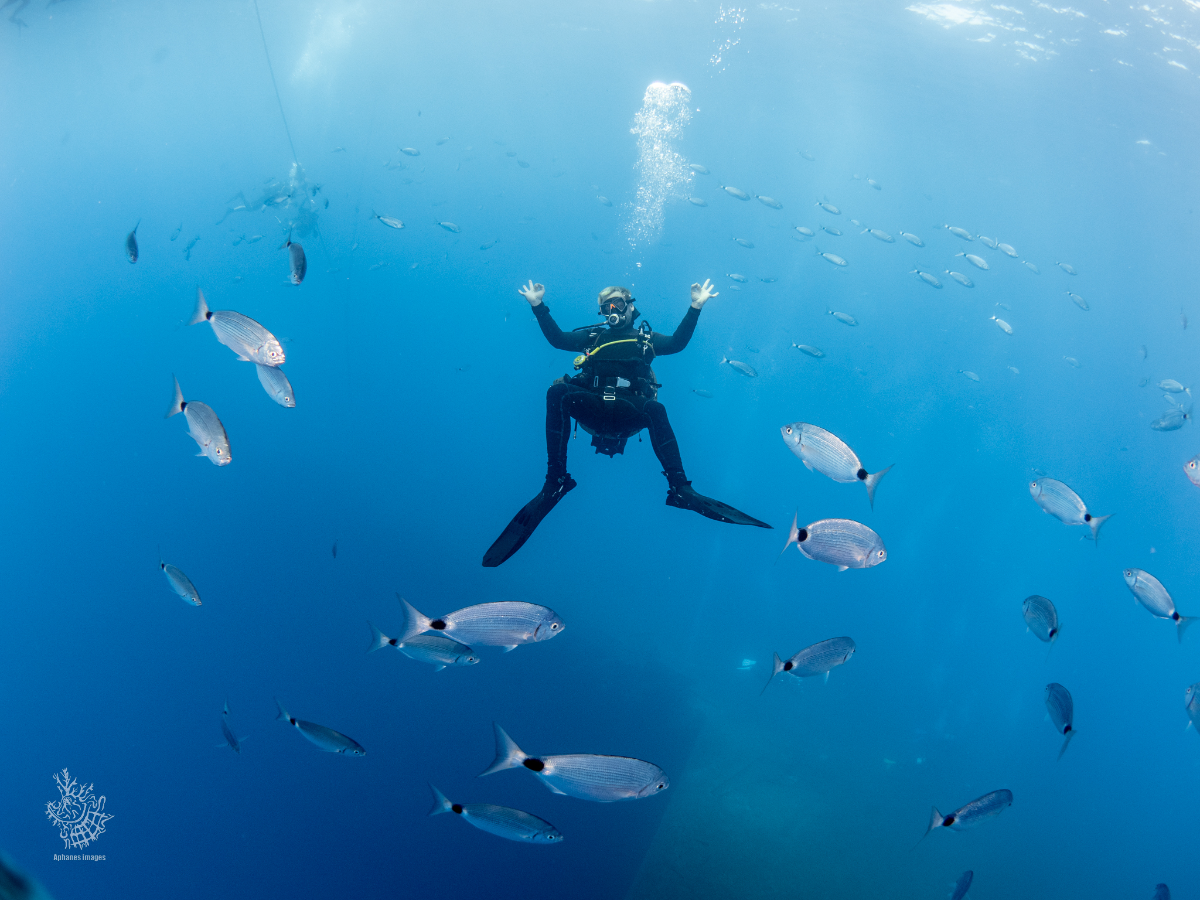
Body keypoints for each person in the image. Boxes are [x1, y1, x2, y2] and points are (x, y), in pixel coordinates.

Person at [482, 278, 771, 567]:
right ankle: (555, 481)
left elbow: (678, 343)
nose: (611, 310)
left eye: (617, 304)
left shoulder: (646, 340)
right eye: (605, 307)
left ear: (630, 308)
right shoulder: (593, 338)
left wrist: (695, 306)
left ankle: (681, 489)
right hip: (593, 407)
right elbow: (558, 340)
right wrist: (538, 305)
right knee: (557, 392)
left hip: (629, 411)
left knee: (656, 409)